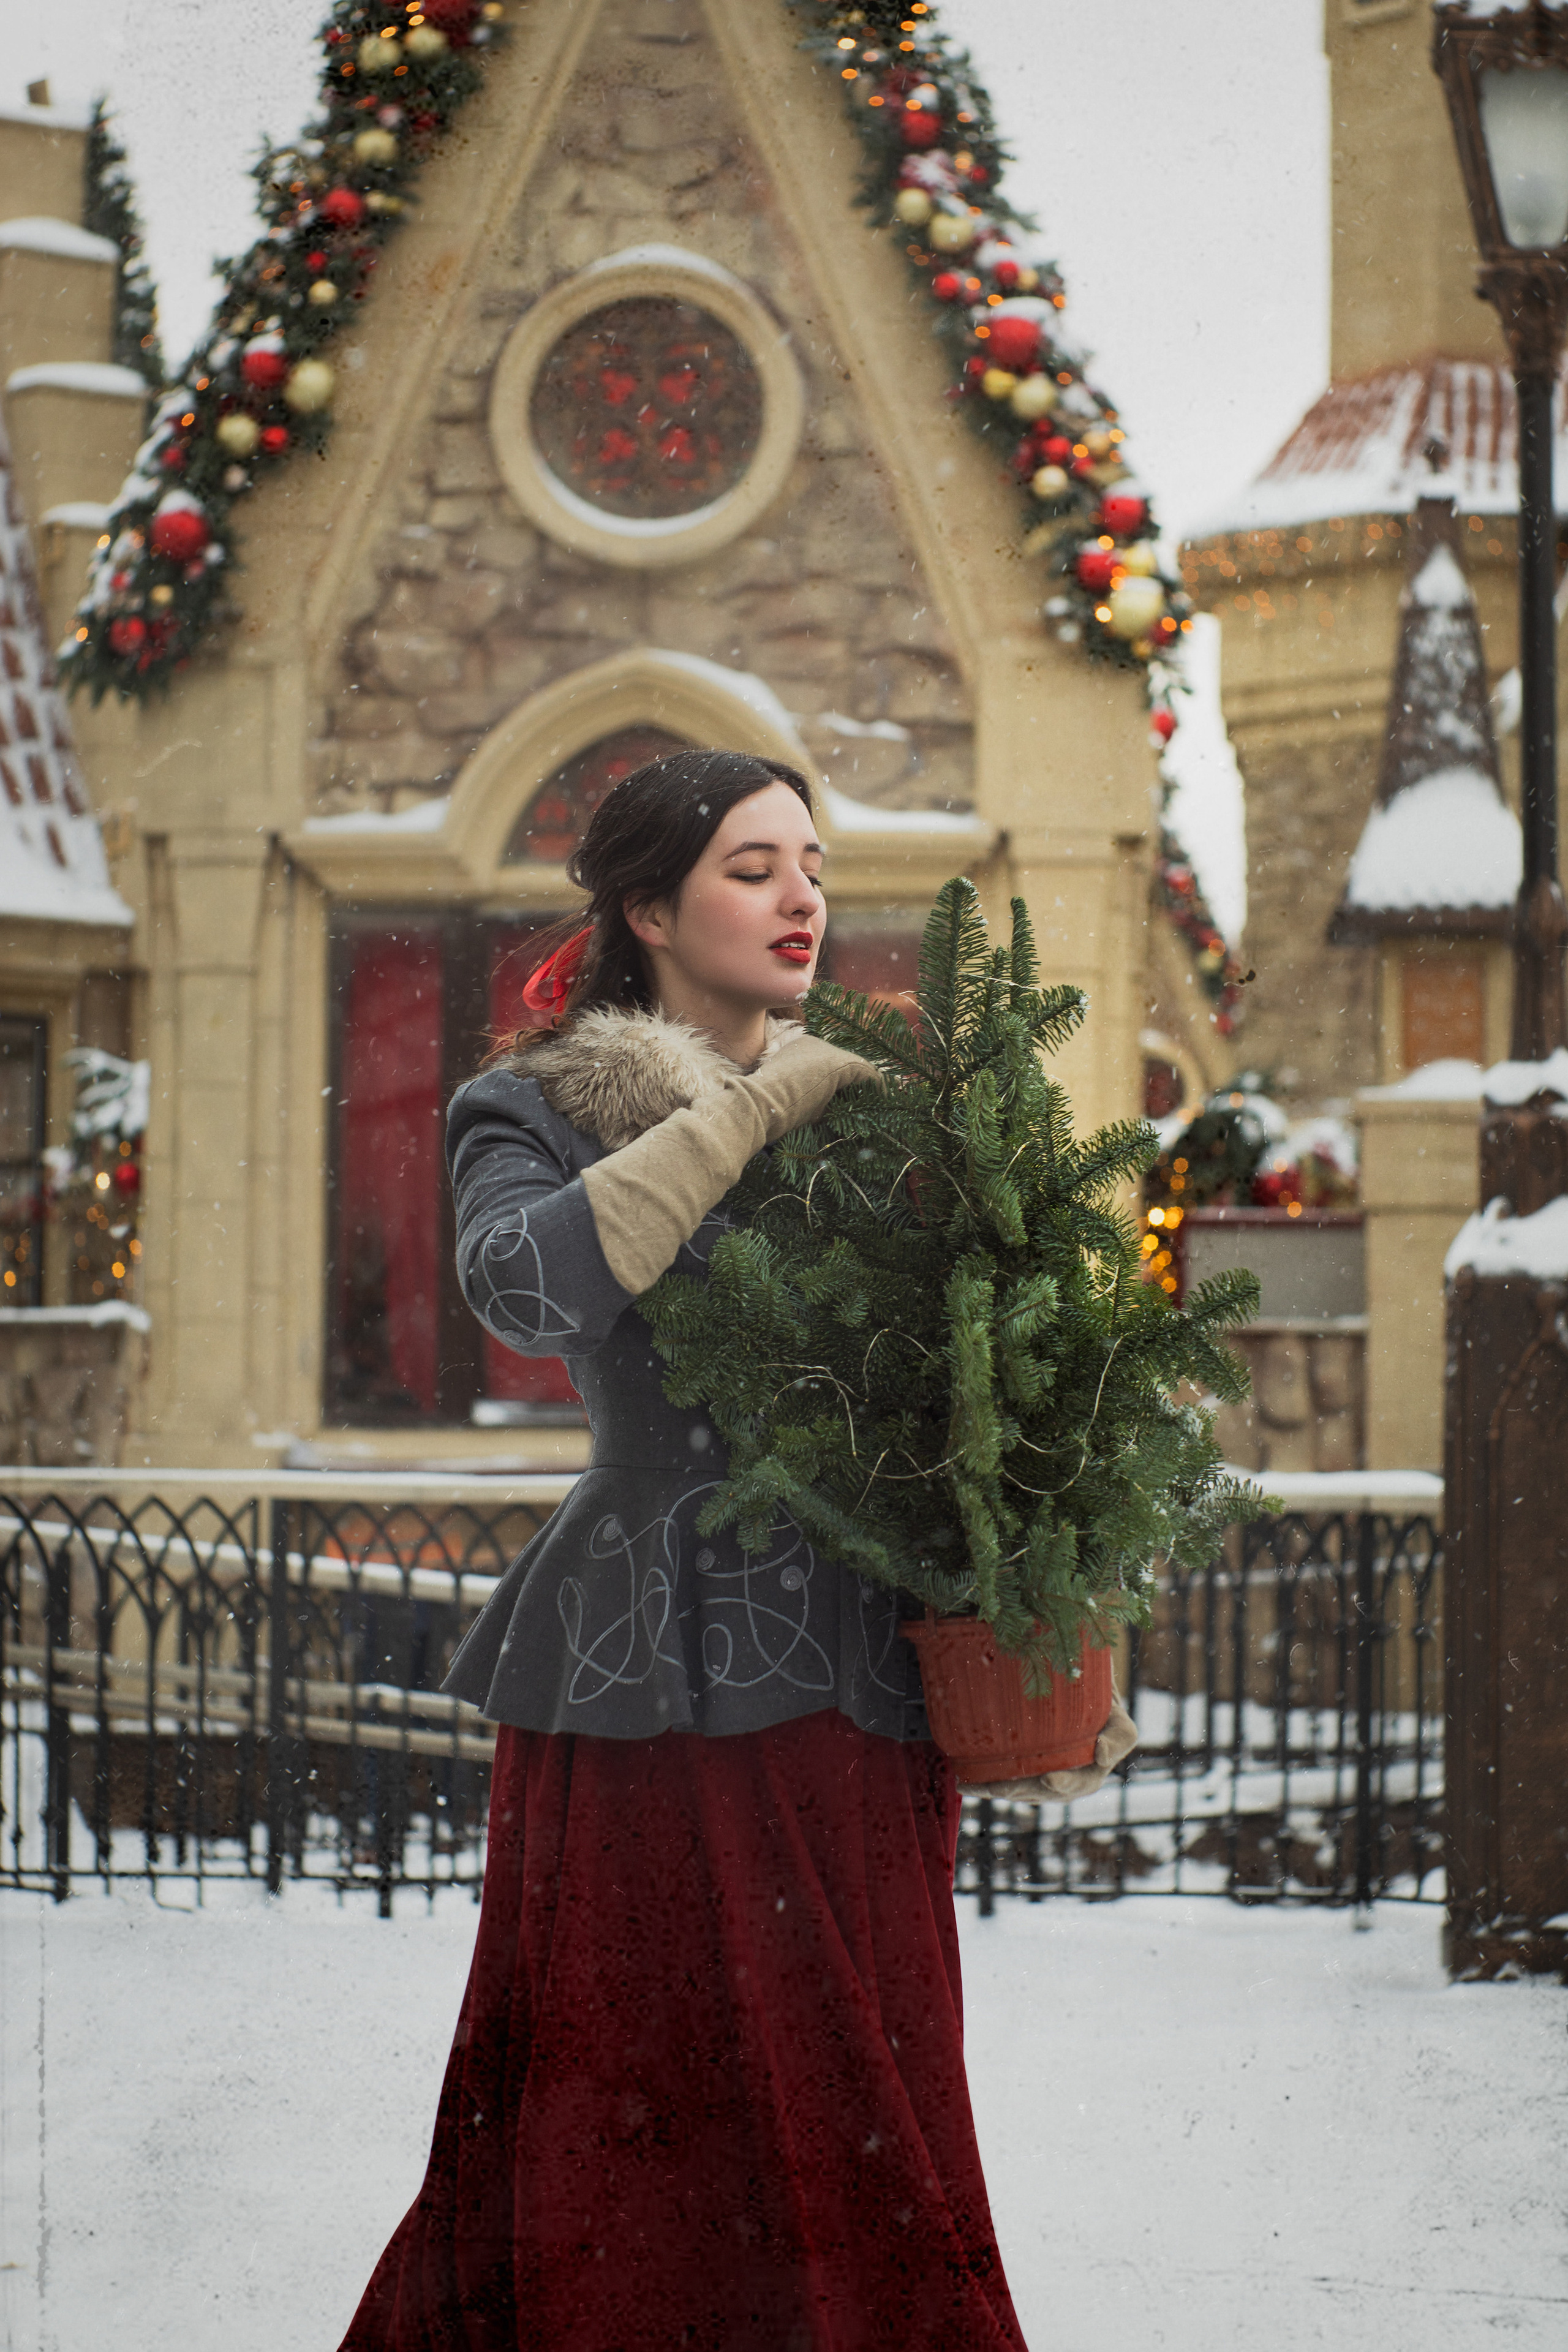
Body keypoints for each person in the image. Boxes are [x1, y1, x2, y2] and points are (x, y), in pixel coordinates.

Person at [338, 749, 1133, 2352]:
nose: (801, 900)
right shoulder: (534, 1104)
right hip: (635, 1660)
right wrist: (756, 1105)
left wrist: (1049, 1603)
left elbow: (999, 1378)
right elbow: (527, 1291)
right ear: (648, 908)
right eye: (753, 869)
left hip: (860, 1666)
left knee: (868, 2095)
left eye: (814, 868)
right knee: (612, 2095)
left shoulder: (891, 1103)